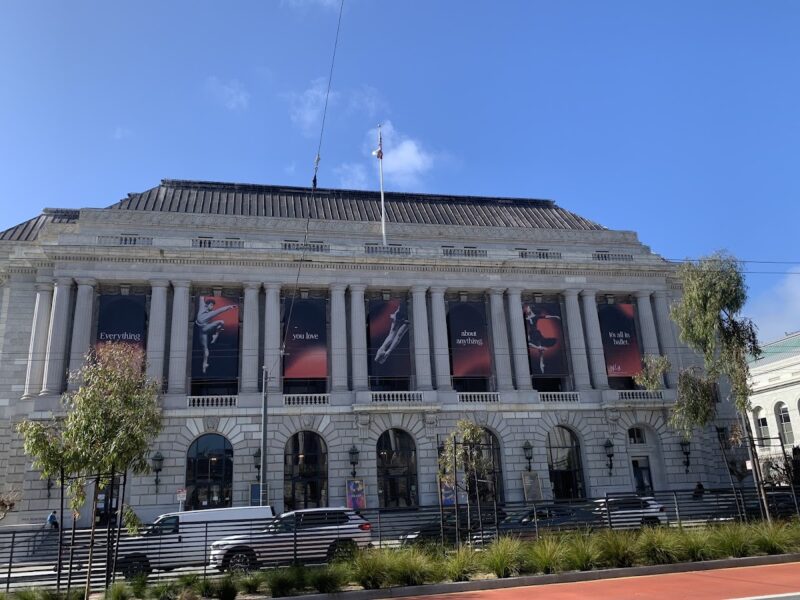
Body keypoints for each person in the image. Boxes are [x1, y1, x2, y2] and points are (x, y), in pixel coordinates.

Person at [195, 296, 236, 373]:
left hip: (206, 328)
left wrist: (229, 307)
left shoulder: (211, 313)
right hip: (202, 332)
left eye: (213, 305)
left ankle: (216, 335)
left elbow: (220, 310)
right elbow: (201, 299)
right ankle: (204, 364)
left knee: (221, 322)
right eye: (211, 305)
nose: (212, 307)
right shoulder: (202, 307)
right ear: (206, 305)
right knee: (205, 349)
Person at [523, 304, 561, 374]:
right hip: (532, 333)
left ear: (530, 309)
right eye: (527, 308)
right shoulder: (527, 317)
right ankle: (540, 353)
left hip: (535, 334)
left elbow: (546, 317)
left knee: (535, 347)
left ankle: (541, 363)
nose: (527, 309)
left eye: (528, 308)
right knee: (530, 345)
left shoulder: (535, 316)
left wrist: (555, 316)